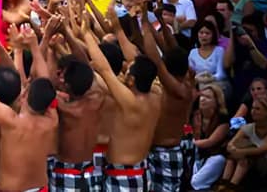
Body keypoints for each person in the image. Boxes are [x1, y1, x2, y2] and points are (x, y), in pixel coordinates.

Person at [0, 21, 58, 192]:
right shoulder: (52, 120)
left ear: (24, 96)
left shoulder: (10, 122)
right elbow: (46, 83)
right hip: (41, 189)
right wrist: (34, 46)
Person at [80, 21, 162, 191]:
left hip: (124, 176)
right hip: (141, 171)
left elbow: (104, 70)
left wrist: (86, 33)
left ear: (132, 80)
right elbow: (139, 63)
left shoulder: (129, 101)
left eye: (128, 70)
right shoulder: (156, 95)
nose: (125, 68)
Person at [138, 10, 194, 192]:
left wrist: (146, 25)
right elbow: (170, 47)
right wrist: (158, 19)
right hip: (153, 150)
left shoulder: (181, 90)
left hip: (168, 151)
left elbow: (156, 59)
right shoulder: (181, 81)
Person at [50, 60, 106, 192]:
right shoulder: (98, 99)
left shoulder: (65, 109)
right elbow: (91, 77)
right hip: (90, 173)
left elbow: (43, 82)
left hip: (66, 173)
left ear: (67, 85)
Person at [218, 97, 267, 188]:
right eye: (252, 108)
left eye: (257, 109)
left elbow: (262, 149)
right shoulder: (248, 127)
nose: (253, 111)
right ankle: (225, 185)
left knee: (244, 152)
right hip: (250, 162)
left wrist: (238, 151)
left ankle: (231, 186)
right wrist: (234, 150)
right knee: (236, 156)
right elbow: (230, 144)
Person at [189, 85, 229, 190]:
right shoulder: (196, 115)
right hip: (198, 155)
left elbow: (210, 142)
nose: (202, 99)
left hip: (215, 156)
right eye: (201, 96)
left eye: (207, 97)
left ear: (216, 101)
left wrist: (189, 142)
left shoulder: (223, 119)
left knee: (196, 182)